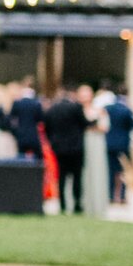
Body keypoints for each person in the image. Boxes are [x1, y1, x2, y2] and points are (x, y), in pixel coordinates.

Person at [43, 84, 93, 214]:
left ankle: (63, 204)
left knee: (62, 177)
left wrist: (52, 142)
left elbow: (47, 128)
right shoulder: (76, 107)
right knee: (77, 177)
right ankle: (77, 204)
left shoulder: (52, 109)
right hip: (76, 148)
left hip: (59, 148)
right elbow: (84, 124)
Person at [101, 87, 133, 203]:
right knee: (123, 170)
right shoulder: (127, 110)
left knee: (110, 170)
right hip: (123, 144)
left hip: (109, 143)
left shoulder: (108, 108)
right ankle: (121, 195)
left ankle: (110, 195)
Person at [6, 78, 47, 164]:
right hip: (33, 135)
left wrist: (15, 131)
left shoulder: (17, 103)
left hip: (20, 135)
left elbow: (10, 119)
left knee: (20, 161)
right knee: (39, 161)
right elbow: (40, 119)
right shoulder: (36, 104)